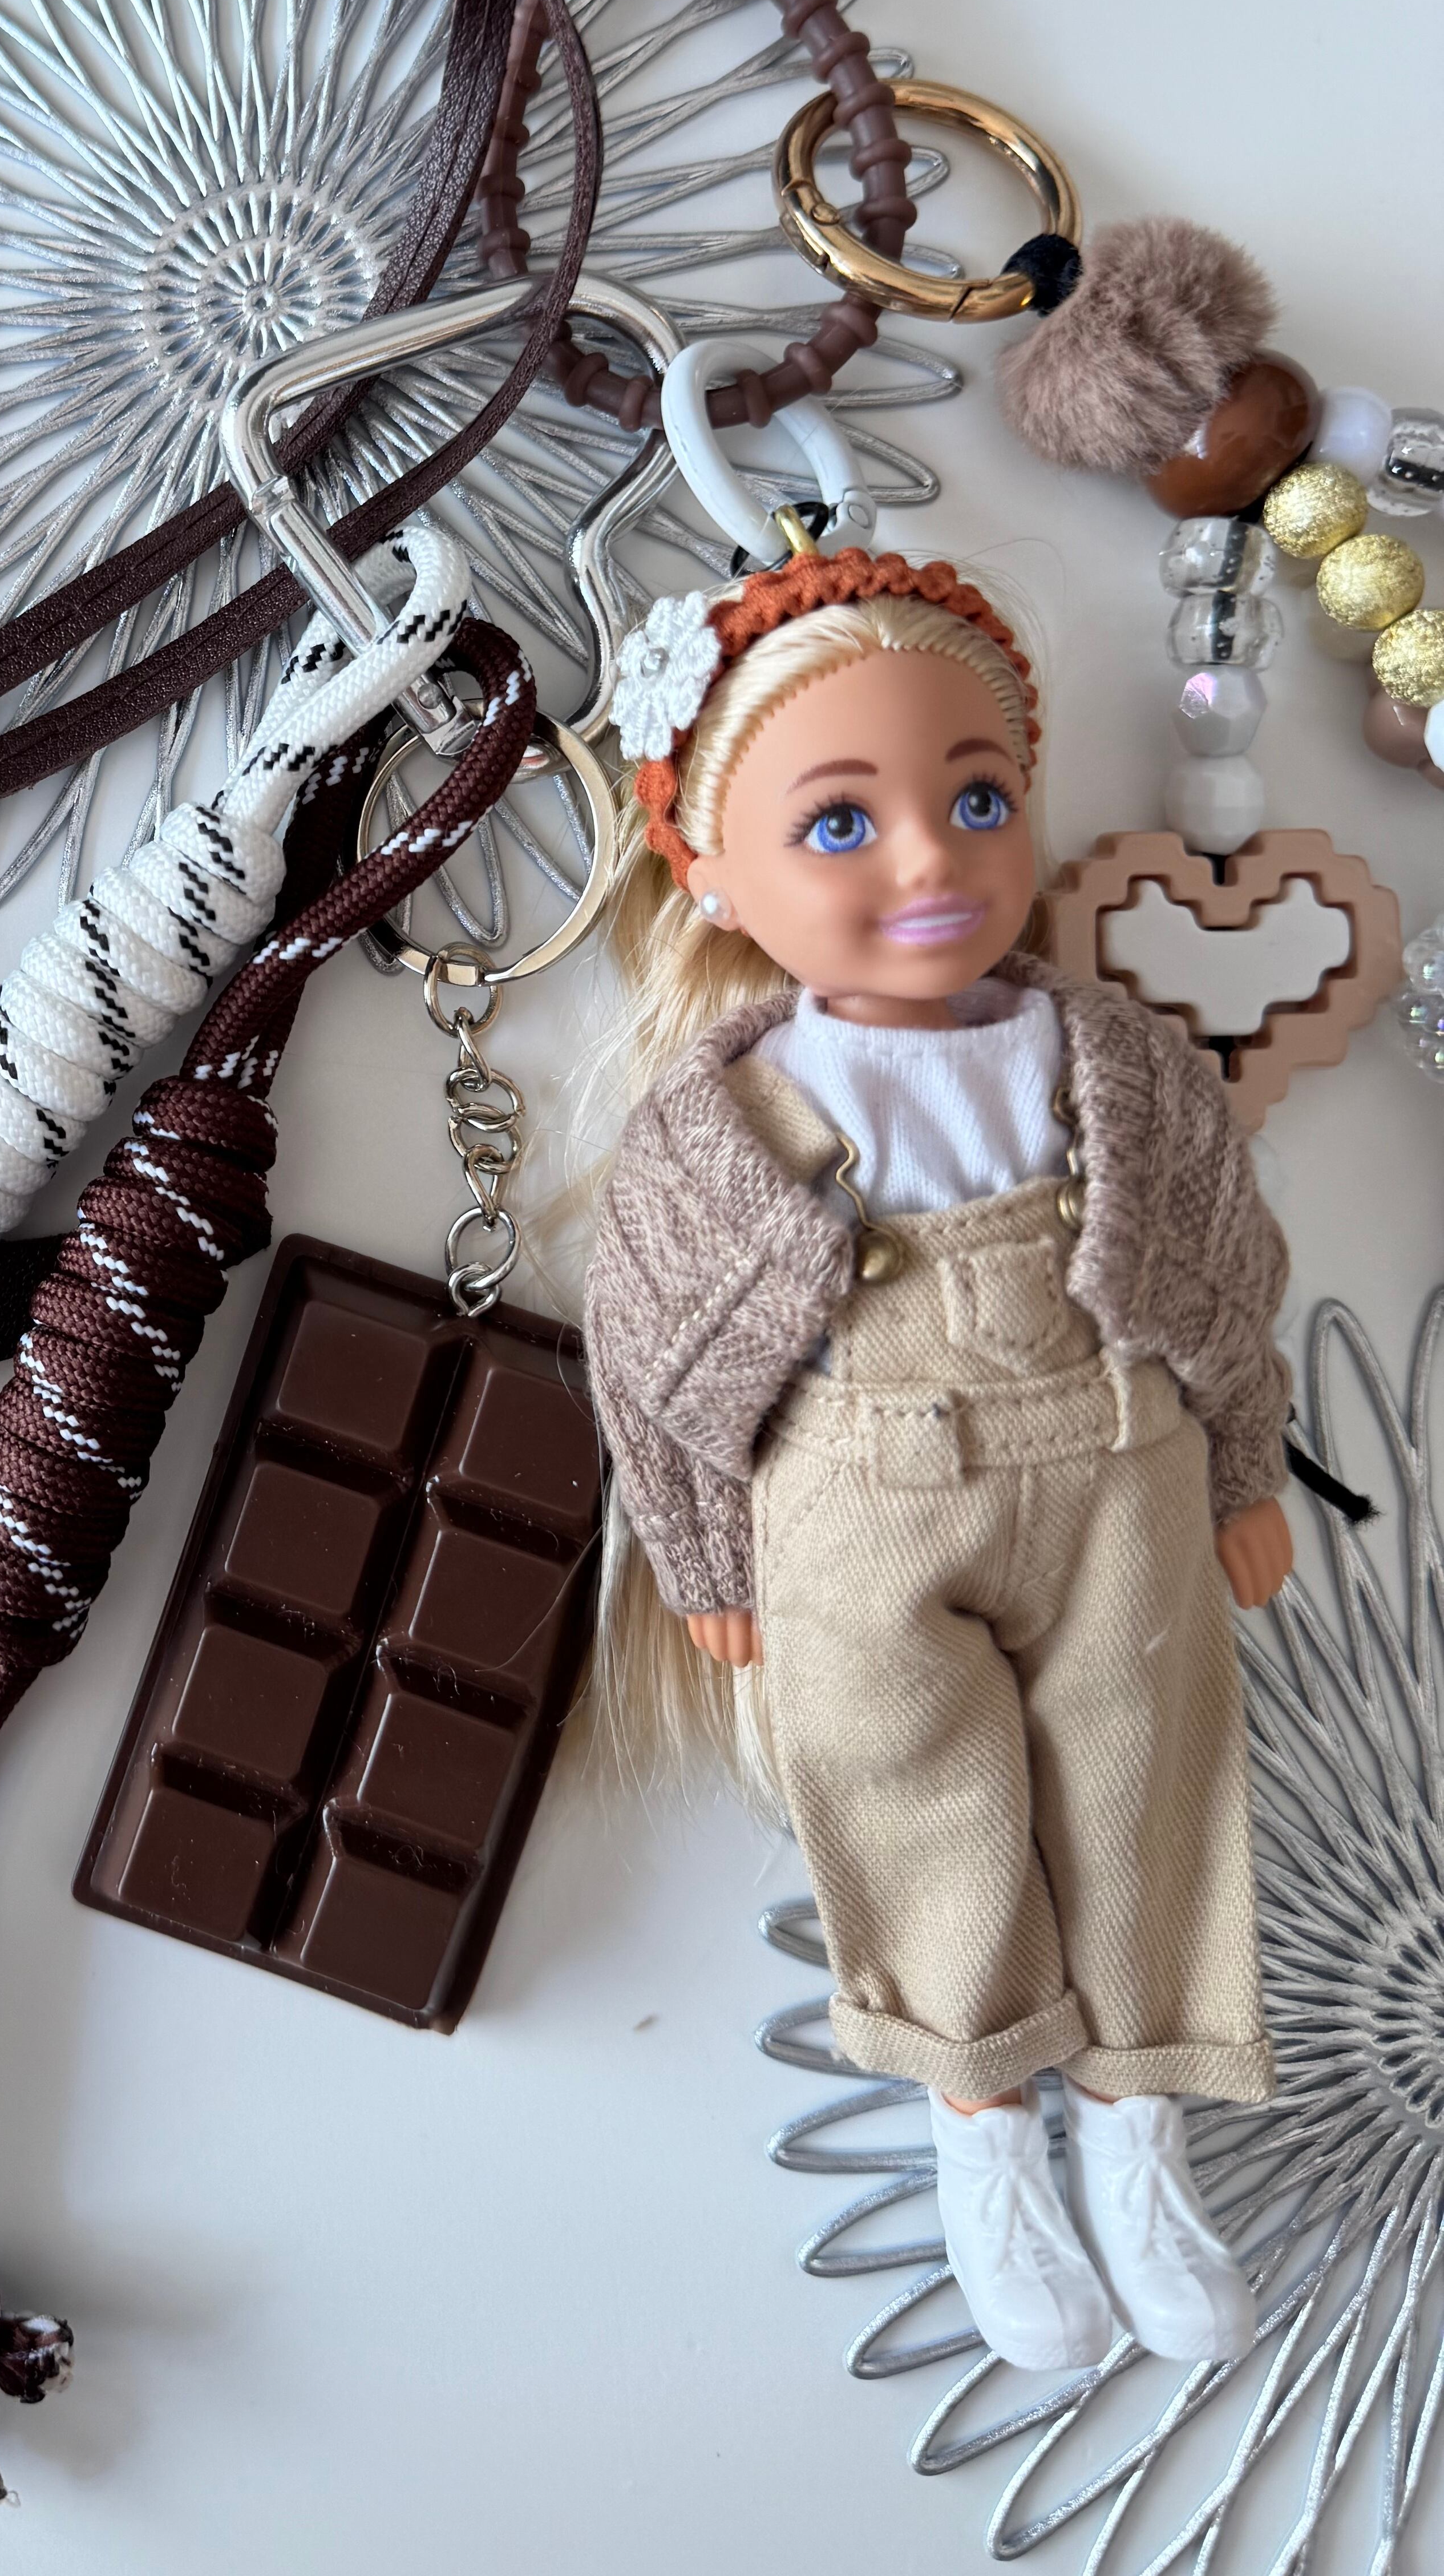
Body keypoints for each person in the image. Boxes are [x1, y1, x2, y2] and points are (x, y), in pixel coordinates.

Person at [582, 544, 1289, 2371]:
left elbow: (1219, 1268)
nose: (929, 861)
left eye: (977, 800)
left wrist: (1241, 1469)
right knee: (911, 1802)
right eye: (839, 823)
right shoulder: (720, 1126)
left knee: (1145, 1783)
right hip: (855, 1501)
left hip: (1118, 1461)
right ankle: (982, 2135)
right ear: (706, 868)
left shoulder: (1111, 1058)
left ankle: (1134, 2136)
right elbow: (653, 1366)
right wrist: (705, 1558)